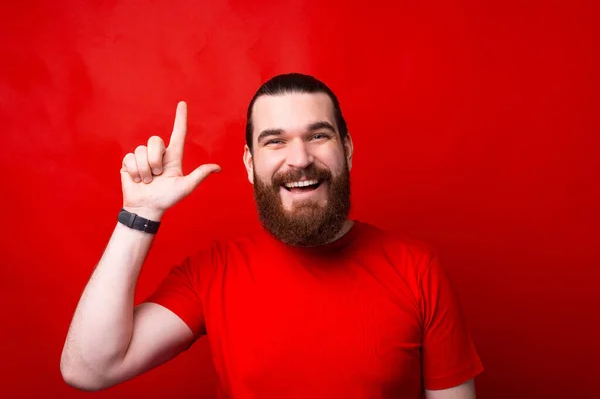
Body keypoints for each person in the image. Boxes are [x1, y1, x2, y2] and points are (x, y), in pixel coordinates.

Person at [60, 73, 484, 398]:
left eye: (318, 135)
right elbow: (89, 368)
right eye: (275, 141)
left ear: (348, 149)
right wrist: (140, 212)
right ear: (249, 163)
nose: (299, 158)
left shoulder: (417, 269)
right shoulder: (213, 272)